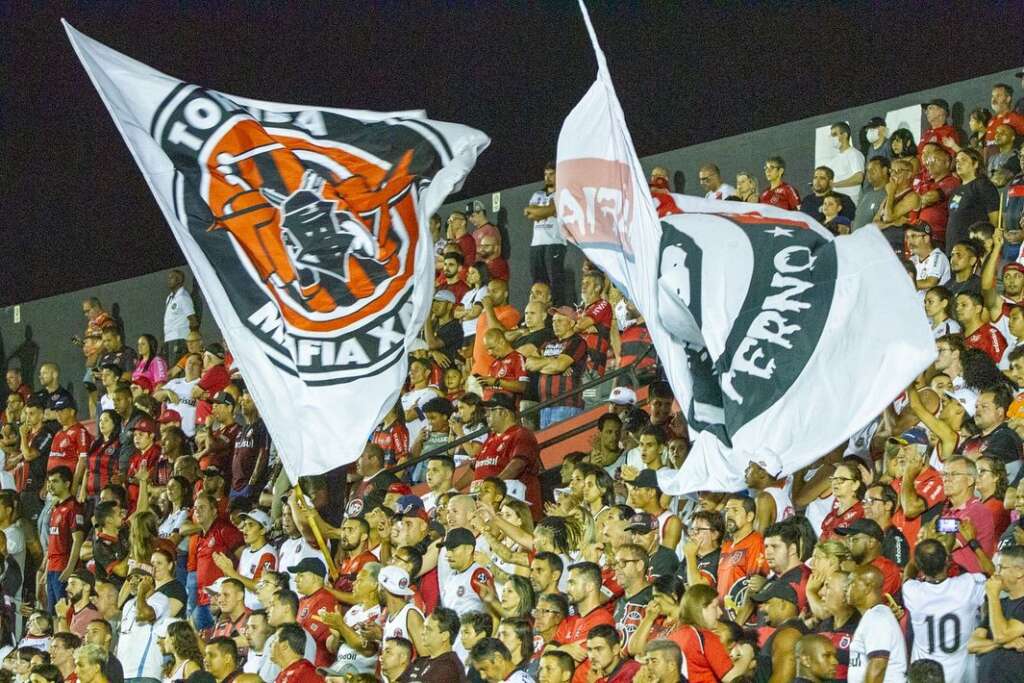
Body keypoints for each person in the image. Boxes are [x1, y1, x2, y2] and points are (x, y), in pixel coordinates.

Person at [903, 539, 986, 682]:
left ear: (919, 566)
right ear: (948, 560)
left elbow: (907, 575)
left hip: (924, 677)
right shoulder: (968, 584)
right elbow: (992, 574)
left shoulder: (912, 591)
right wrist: (973, 543)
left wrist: (918, 554)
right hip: (961, 675)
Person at [527, 307, 588, 429]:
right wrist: (554, 361)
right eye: (554, 321)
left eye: (559, 321)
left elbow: (559, 366)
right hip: (545, 406)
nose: (555, 324)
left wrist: (551, 364)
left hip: (566, 405)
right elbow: (529, 363)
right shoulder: (548, 343)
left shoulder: (577, 342)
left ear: (571, 323)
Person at [969, 545, 1024, 678]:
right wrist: (1001, 645)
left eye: (1001, 567)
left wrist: (993, 595)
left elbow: (1001, 635)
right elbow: (972, 645)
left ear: (1019, 572)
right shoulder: (1001, 605)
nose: (995, 573)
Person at [846, 565, 907, 683]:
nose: (847, 588)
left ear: (868, 587)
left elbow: (878, 668)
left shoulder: (877, 617)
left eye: (852, 583)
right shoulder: (872, 616)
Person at [524, 162, 569, 307]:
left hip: (555, 243)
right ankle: (539, 309)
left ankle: (557, 309)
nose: (548, 177)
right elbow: (529, 213)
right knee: (538, 282)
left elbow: (551, 210)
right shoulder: (537, 194)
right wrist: (545, 211)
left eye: (551, 174)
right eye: (546, 174)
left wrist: (541, 211)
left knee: (555, 281)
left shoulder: (562, 193)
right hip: (536, 244)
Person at [116, 566, 170, 683]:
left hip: (145, 672)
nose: (132, 582)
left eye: (137, 577)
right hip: (124, 672)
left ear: (149, 580)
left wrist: (142, 591)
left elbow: (143, 615)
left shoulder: (160, 599)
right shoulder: (128, 604)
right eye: (130, 578)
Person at [947, 149, 1001, 252]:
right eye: (957, 161)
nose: (959, 164)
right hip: (954, 248)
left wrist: (990, 247)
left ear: (975, 164)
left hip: (973, 249)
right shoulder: (957, 189)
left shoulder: (983, 185)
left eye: (963, 160)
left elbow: (995, 218)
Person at [163, 270, 198, 366]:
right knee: (169, 368)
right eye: (168, 278)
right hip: (169, 338)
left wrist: (190, 340)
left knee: (176, 369)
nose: (168, 280)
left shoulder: (183, 297)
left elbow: (193, 321)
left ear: (179, 280)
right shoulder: (169, 297)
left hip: (180, 339)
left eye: (171, 278)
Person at [829, 121, 866, 202]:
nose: (832, 138)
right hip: (836, 203)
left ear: (845, 135)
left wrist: (835, 185)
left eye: (835, 134)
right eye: (831, 135)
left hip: (851, 202)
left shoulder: (854, 154)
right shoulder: (834, 160)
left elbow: (858, 178)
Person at [854, 156, 890, 232]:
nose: (869, 173)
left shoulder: (888, 194)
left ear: (884, 170)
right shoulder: (866, 194)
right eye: (868, 170)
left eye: (873, 170)